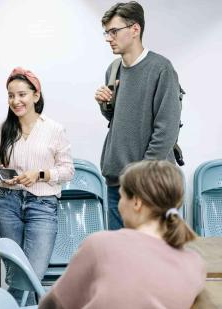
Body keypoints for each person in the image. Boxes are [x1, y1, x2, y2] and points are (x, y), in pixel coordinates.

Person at [39, 160, 206, 309]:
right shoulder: (194, 264)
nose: (119, 205)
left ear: (136, 202)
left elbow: (54, 304)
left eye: (121, 197)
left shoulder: (100, 245)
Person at [94, 1, 182, 230]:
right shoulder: (113, 69)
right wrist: (106, 105)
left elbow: (166, 130)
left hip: (150, 184)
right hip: (116, 183)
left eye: (114, 31)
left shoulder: (161, 69)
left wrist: (140, 176)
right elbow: (119, 120)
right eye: (107, 32)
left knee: (153, 258)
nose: (108, 38)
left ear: (135, 29)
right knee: (119, 258)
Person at [0, 67, 74, 305]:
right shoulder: (3, 129)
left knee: (32, 273)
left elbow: (68, 170)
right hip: (7, 203)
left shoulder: (54, 129)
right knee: (16, 273)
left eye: (21, 94)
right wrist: (4, 176)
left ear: (36, 96)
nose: (15, 101)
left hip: (43, 205)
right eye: (10, 95)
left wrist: (39, 174)